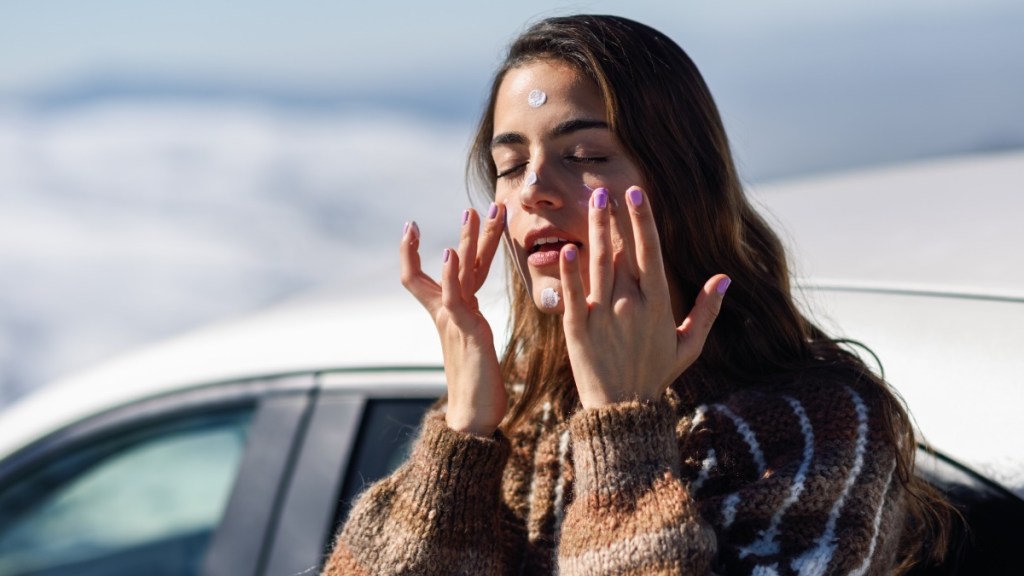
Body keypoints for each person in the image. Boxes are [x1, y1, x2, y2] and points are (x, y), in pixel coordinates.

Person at [323, 14, 949, 575]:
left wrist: (622, 432)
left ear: (681, 183)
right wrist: (463, 438)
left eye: (586, 155)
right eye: (511, 166)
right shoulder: (520, 412)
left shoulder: (816, 426)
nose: (534, 189)